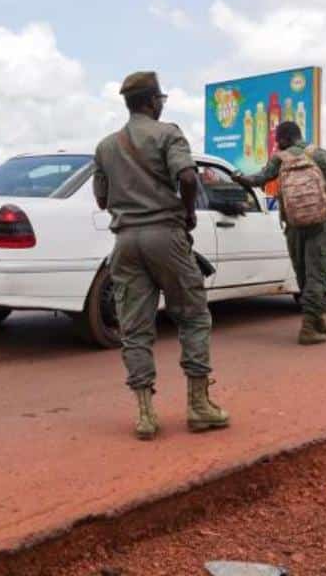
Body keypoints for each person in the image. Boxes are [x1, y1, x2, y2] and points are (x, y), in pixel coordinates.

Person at [92, 71, 229, 441]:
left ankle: (145, 414)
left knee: (135, 328)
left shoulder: (106, 146)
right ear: (153, 101)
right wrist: (186, 213)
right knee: (194, 315)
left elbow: (101, 199)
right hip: (166, 236)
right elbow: (187, 178)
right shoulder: (168, 133)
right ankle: (199, 406)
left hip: (125, 243)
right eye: (160, 100)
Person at [236, 121, 326, 345]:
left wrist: (239, 178)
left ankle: (314, 321)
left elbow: (257, 179)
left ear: (284, 139)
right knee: (317, 274)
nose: (276, 143)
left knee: (303, 273)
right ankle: (310, 326)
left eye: (277, 139)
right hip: (320, 223)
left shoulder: (280, 158)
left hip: (293, 223)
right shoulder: (321, 155)